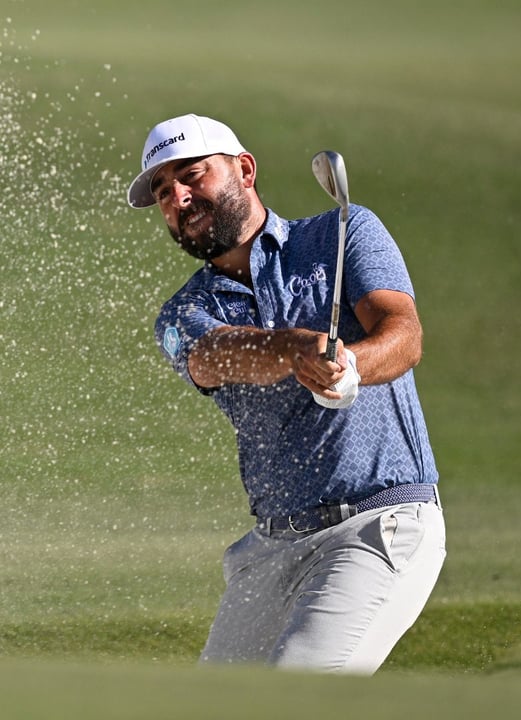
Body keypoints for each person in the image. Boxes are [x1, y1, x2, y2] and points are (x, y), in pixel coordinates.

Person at [128, 113, 446, 674]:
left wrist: (350, 364)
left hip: (376, 525)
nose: (177, 196)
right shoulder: (182, 314)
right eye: (162, 190)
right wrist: (296, 348)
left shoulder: (341, 234)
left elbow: (403, 335)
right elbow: (213, 357)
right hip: (271, 549)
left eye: (191, 175)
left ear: (244, 170)